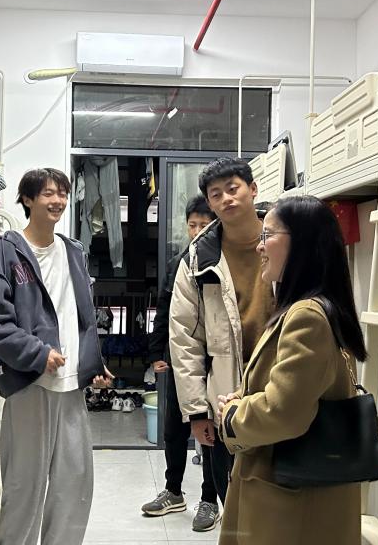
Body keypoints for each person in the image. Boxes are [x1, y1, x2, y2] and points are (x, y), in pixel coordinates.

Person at [215, 195, 365, 544]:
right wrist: (241, 397)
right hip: (292, 498)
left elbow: (284, 412)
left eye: (268, 235)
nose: (259, 247)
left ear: (301, 242)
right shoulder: (310, 308)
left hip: (291, 509)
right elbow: (289, 389)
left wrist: (232, 415)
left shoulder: (307, 317)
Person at [0, 168, 113, 545]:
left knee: (74, 485)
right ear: (27, 199)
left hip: (71, 388)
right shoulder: (6, 249)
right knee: (24, 487)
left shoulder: (73, 250)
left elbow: (82, 315)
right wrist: (38, 354)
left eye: (63, 193)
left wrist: (92, 361)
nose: (58, 201)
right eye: (48, 193)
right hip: (30, 384)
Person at [169, 157, 276, 503]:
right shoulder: (198, 259)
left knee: (283, 501)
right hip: (226, 400)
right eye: (216, 194)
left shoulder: (287, 239)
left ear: (253, 189)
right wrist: (197, 411)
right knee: (233, 499)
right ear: (210, 203)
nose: (226, 199)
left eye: (233, 189)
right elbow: (184, 339)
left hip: (284, 389)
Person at [140, 195, 220, 532]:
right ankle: (173, 491)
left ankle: (209, 499)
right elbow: (163, 311)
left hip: (215, 363)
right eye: (192, 225)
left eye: (204, 225)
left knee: (210, 431)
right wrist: (156, 353)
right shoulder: (178, 263)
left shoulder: (221, 261)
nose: (197, 231)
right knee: (173, 429)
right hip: (180, 359)